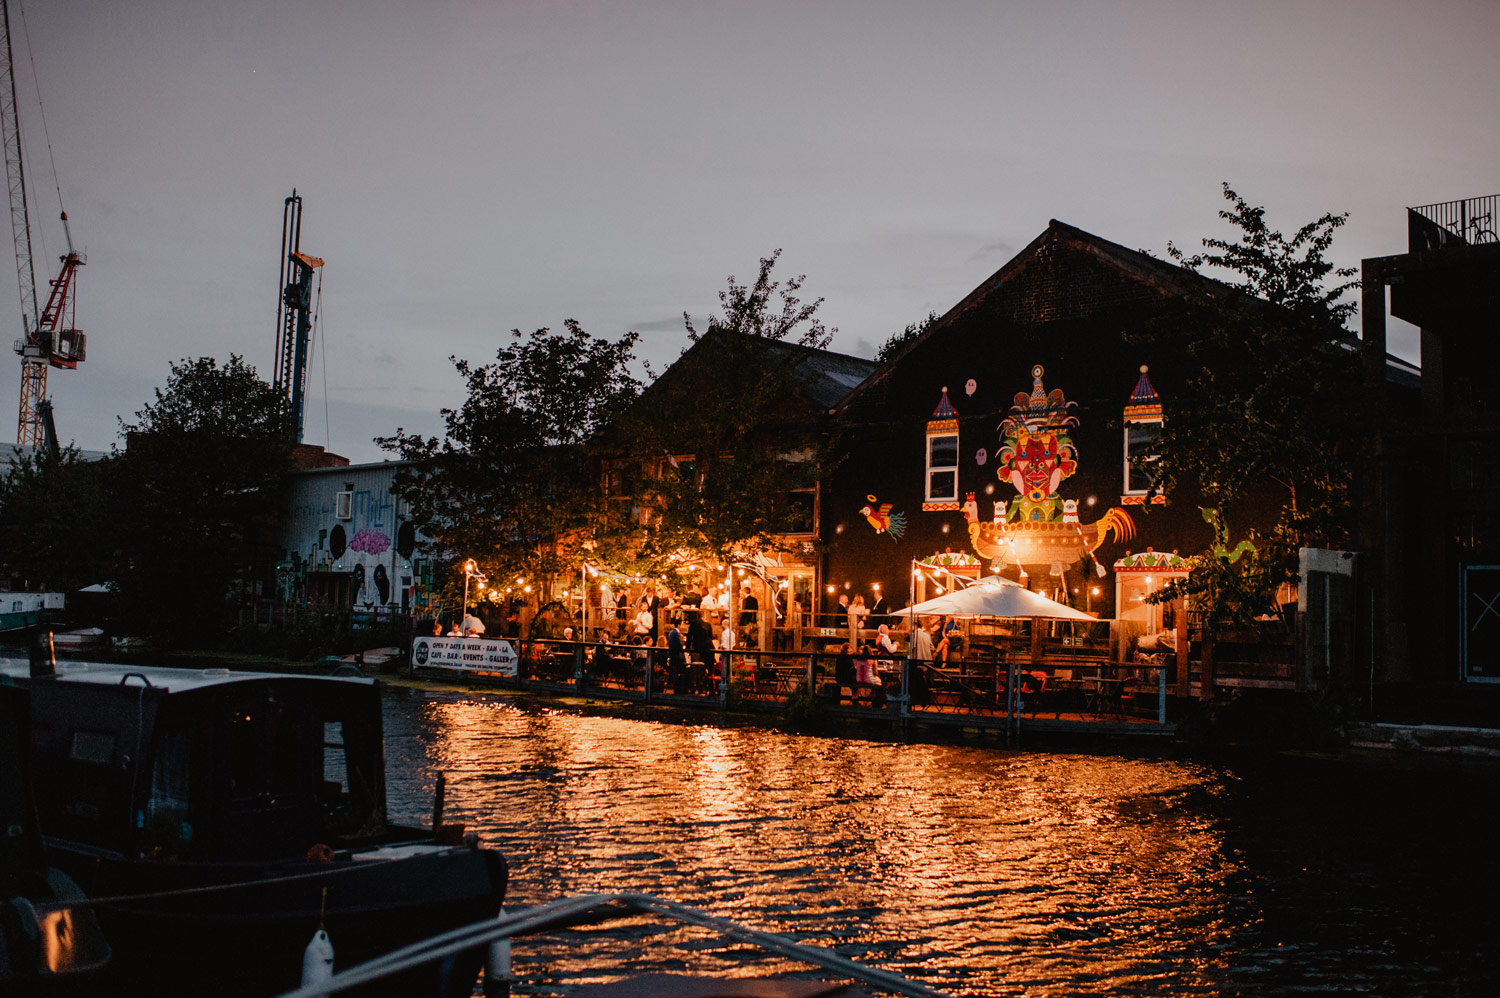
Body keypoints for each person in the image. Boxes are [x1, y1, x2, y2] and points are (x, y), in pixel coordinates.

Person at [666, 620, 688, 692]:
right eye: (682, 624)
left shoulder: (672, 633)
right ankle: (679, 689)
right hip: (676, 656)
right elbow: (678, 644)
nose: (683, 626)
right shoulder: (675, 633)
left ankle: (678, 688)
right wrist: (684, 642)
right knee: (678, 672)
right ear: (678, 625)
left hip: (674, 655)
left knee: (675, 672)